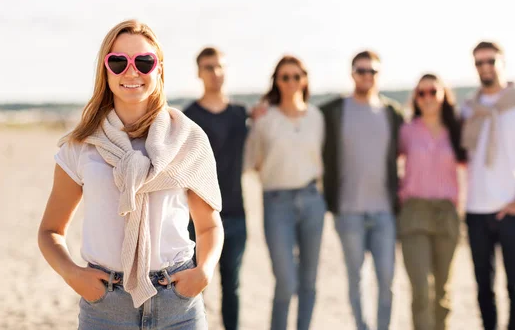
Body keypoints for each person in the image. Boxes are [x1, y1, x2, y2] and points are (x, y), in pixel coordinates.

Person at [37, 20, 224, 330]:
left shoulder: (188, 139)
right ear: (105, 69)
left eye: (144, 61)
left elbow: (208, 226)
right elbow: (50, 231)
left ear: (159, 69)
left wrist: (204, 271)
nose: (131, 71)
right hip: (105, 308)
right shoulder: (82, 144)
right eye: (119, 62)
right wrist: (73, 275)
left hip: (178, 306)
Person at [462, 41, 515, 330]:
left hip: (512, 211)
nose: (485, 67)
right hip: (476, 210)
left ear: (503, 62)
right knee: (483, 287)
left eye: (491, 61)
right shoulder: (469, 108)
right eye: (479, 62)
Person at [320, 50, 403, 330]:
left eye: (372, 71)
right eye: (361, 70)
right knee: (355, 279)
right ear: (352, 73)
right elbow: (298, 114)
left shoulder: (392, 113)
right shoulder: (333, 111)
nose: (366, 76)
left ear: (379, 76)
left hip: (384, 213)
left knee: (387, 280)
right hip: (348, 212)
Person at [244, 55, 326, 330]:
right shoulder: (265, 118)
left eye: (296, 76)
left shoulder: (316, 117)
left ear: (304, 80)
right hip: (277, 202)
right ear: (277, 82)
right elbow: (252, 161)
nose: (291, 82)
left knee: (309, 280)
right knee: (286, 280)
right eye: (285, 77)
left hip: (313, 201)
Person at [184, 47, 248, 330]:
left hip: (236, 213)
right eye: (209, 67)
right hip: (196, 217)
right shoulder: (188, 117)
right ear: (199, 73)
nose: (216, 73)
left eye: (220, 66)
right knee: (198, 286)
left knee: (232, 287)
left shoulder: (240, 114)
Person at [398, 74, 467, 330]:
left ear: (443, 95)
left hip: (446, 213)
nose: (427, 97)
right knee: (420, 289)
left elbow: (477, 160)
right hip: (414, 212)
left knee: (442, 290)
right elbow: (384, 162)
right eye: (421, 93)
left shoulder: (457, 129)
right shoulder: (406, 130)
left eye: (432, 92)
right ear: (416, 98)